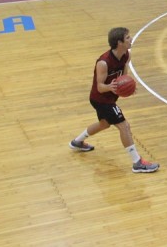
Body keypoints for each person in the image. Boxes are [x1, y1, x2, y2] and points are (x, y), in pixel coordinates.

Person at [68, 27, 160, 173]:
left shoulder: (126, 55)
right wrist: (110, 87)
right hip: (101, 98)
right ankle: (137, 163)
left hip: (110, 97)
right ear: (119, 42)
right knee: (124, 126)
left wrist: (128, 86)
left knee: (104, 124)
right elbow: (99, 87)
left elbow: (124, 75)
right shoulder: (103, 62)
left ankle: (77, 142)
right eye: (128, 37)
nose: (131, 39)